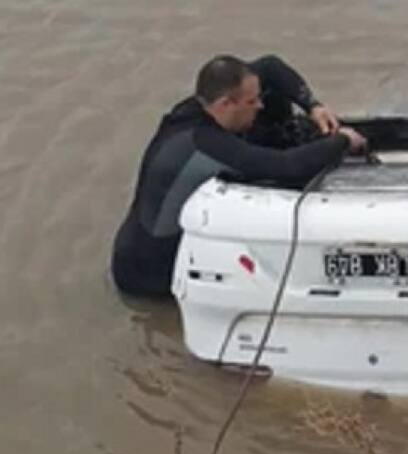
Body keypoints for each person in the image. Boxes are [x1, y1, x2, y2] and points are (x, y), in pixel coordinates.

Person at [111, 54, 366, 297]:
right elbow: (286, 166)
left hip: (133, 241)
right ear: (226, 104)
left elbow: (270, 66)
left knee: (275, 102)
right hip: (148, 272)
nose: (260, 105)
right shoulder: (206, 143)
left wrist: (313, 106)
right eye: (251, 102)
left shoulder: (203, 105)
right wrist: (343, 141)